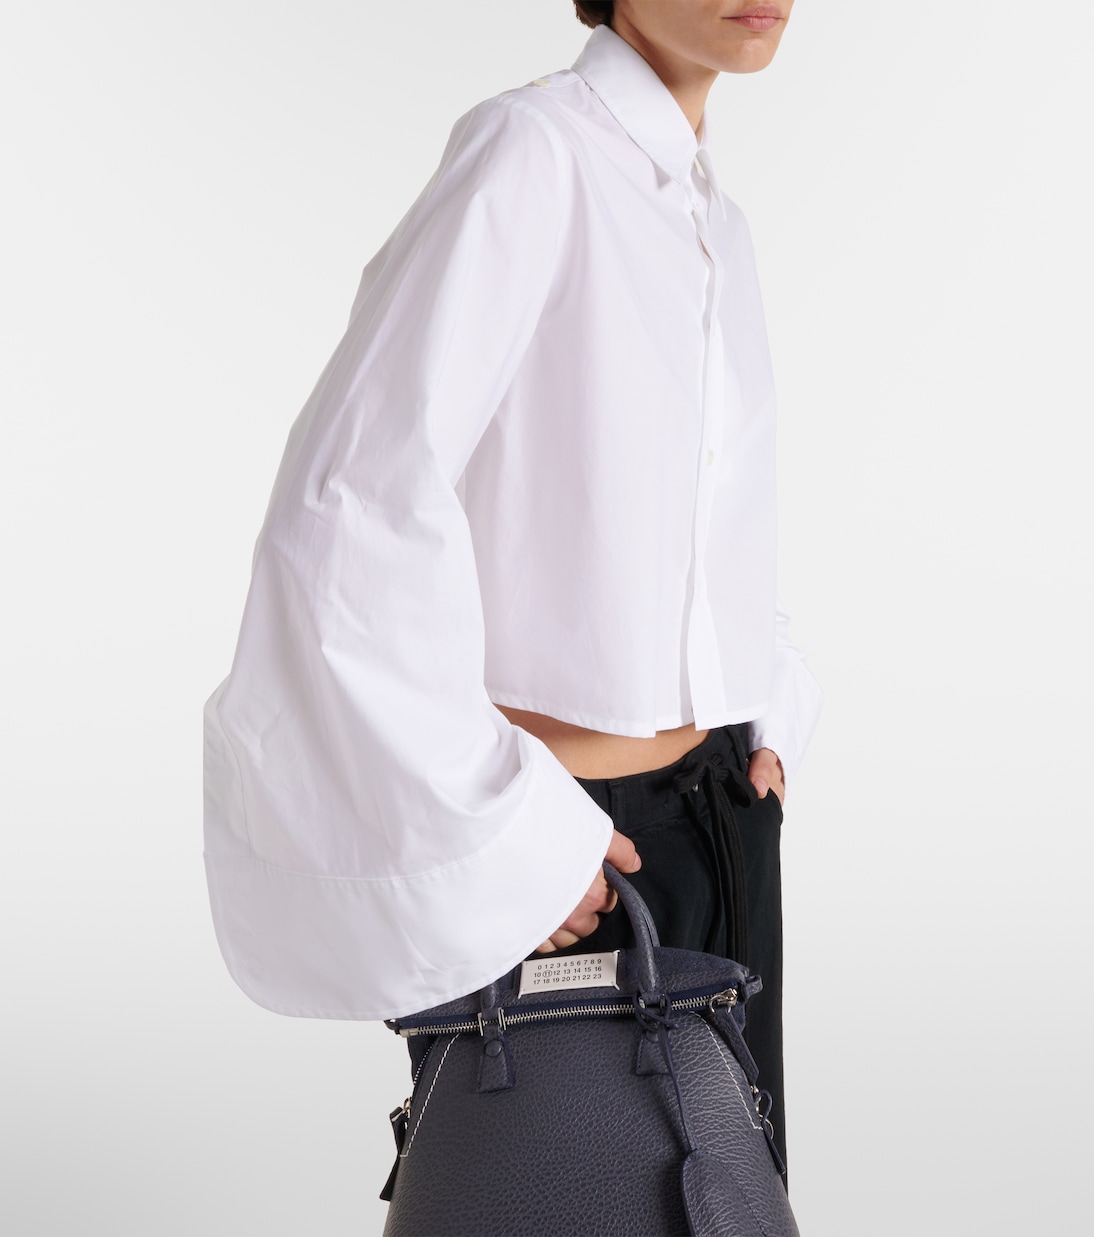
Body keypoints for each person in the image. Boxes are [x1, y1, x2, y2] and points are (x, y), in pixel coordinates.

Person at [202, 0, 820, 1177]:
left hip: (720, 822)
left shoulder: (713, 219)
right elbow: (350, 507)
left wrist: (764, 713)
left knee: (735, 1199)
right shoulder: (532, 153)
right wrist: (503, 839)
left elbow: (695, 522)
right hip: (573, 857)